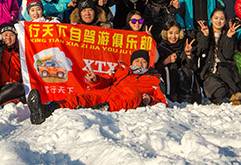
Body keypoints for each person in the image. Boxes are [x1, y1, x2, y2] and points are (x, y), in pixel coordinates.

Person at [27, 49, 166, 125]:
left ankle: (104, 107)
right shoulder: (122, 70)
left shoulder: (154, 79)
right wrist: (96, 80)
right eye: (137, 61)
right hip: (109, 92)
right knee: (83, 97)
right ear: (132, 62)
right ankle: (46, 110)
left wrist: (151, 100)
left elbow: (163, 101)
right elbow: (107, 82)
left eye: (143, 62)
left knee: (133, 93)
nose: (140, 64)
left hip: (129, 98)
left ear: (148, 64)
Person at [196, 10, 241, 105]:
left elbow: (227, 55)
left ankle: (235, 92)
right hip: (210, 73)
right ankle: (226, 90)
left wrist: (229, 37)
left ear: (225, 21)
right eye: (216, 18)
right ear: (211, 20)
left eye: (222, 19)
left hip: (226, 72)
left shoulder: (228, 33)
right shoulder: (205, 32)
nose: (218, 21)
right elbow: (200, 51)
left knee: (222, 68)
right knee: (218, 93)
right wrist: (205, 36)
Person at [156, 21, 199, 103]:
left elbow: (193, 67)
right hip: (168, 81)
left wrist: (188, 54)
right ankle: (170, 95)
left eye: (176, 33)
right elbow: (157, 67)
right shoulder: (161, 46)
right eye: (170, 33)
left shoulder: (185, 45)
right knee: (171, 67)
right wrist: (166, 61)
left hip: (184, 83)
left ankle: (186, 95)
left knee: (185, 70)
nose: (173, 36)